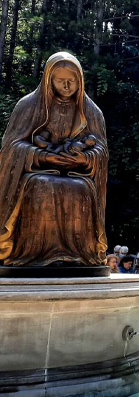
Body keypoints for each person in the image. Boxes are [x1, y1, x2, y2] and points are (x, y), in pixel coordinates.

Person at [0, 52, 108, 269]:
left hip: (76, 174)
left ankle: (78, 254)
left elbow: (101, 150)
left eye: (72, 81)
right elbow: (11, 148)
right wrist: (43, 156)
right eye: (60, 81)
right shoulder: (29, 105)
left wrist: (84, 157)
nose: (67, 86)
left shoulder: (91, 111)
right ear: (49, 79)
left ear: (80, 81)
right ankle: (31, 253)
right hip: (36, 173)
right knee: (41, 185)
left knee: (81, 190)